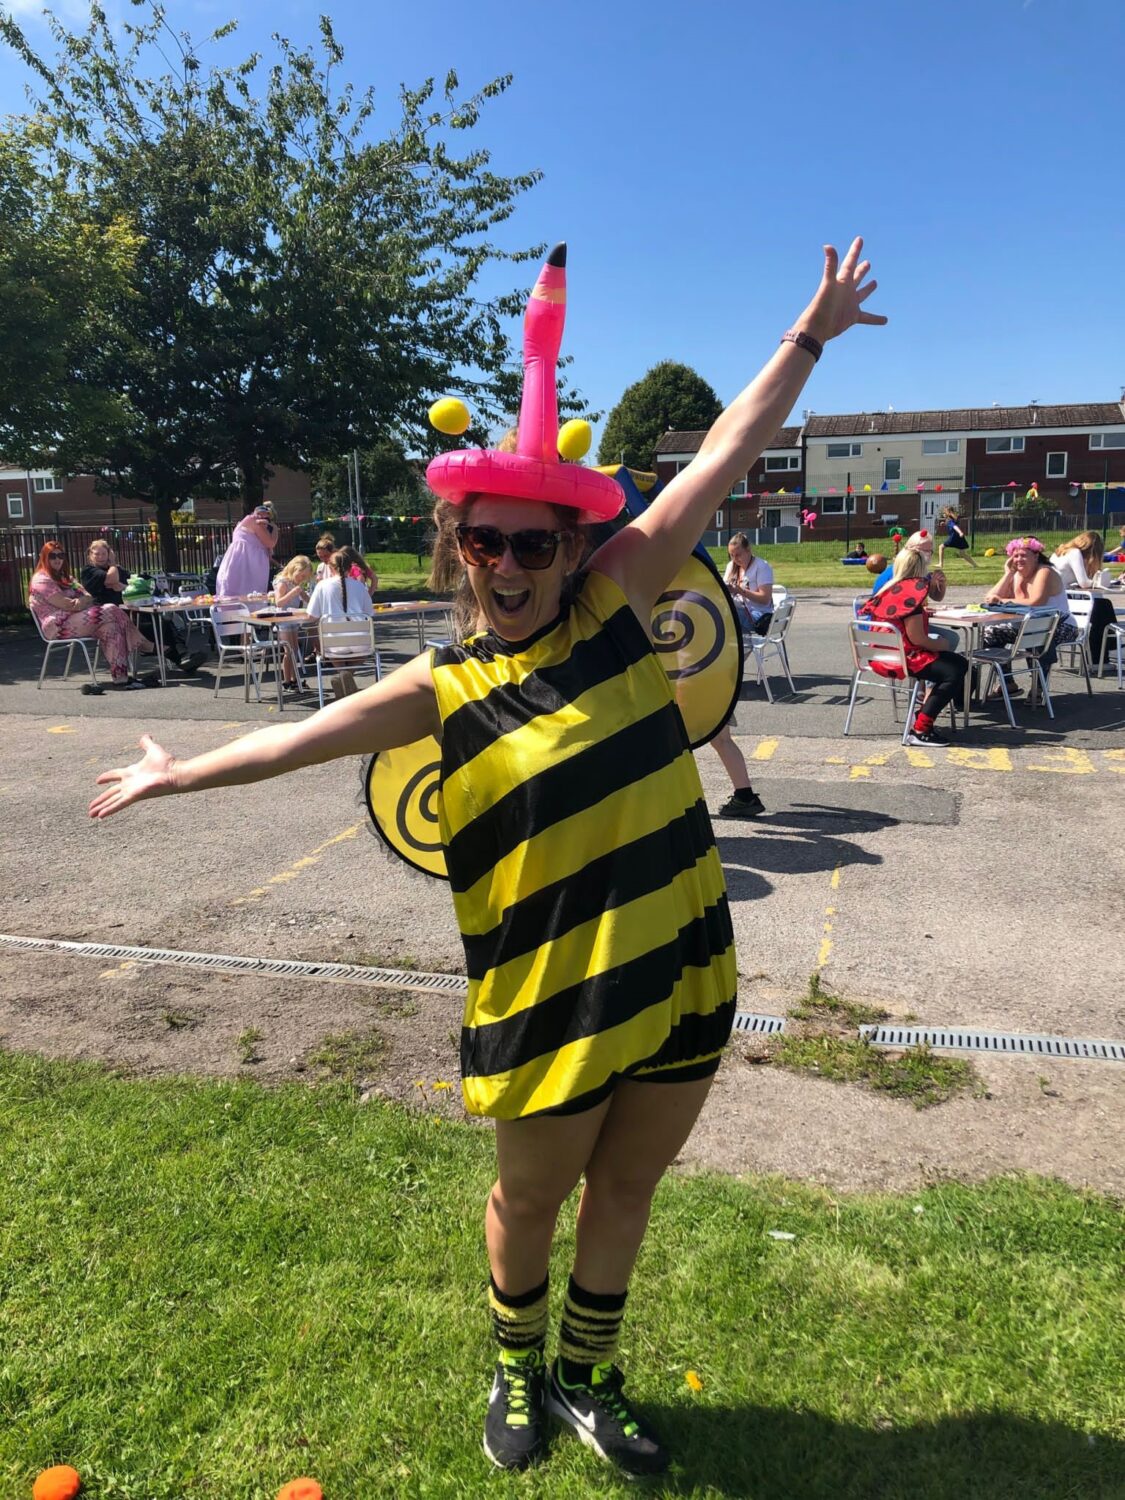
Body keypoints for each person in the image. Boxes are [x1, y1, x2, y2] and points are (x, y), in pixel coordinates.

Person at [89, 237, 885, 1480]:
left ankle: (588, 1374)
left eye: (534, 545)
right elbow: (303, 738)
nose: (511, 567)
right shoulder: (446, 683)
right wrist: (176, 770)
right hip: (544, 991)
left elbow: (723, 451)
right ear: (460, 548)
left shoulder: (624, 597)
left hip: (682, 964)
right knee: (529, 1200)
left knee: (626, 1195)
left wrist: (809, 336)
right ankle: (517, 1362)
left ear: (573, 547)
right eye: (486, 545)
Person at [859, 546, 967, 746]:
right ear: (919, 569)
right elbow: (918, 639)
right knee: (956, 668)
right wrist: (941, 643)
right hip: (902, 658)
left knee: (955, 663)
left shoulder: (887, 589)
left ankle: (923, 715)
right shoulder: (911, 597)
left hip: (879, 654)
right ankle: (921, 728)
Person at [29, 542, 144, 690]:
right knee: (110, 609)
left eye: (60, 555)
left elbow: (88, 596)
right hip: (58, 626)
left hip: (78, 620)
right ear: (44, 557)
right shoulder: (41, 580)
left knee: (111, 627)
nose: (57, 559)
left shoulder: (67, 578)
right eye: (52, 556)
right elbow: (67, 604)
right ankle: (142, 643)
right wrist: (79, 602)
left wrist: (80, 602)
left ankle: (120, 677)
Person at [81, 539, 205, 676]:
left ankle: (183, 657)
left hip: (134, 609)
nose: (100, 557)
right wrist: (113, 565)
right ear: (90, 555)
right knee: (150, 624)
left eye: (103, 554)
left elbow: (135, 586)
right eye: (96, 554)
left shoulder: (119, 570)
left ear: (109, 553)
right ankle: (176, 656)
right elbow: (112, 580)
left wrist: (122, 586)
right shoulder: (89, 571)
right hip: (113, 617)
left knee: (163, 621)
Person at [982, 536, 1078, 696]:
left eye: (1023, 555)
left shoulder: (1044, 571)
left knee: (1035, 635)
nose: (1018, 559)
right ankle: (1007, 683)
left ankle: (1039, 687)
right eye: (1015, 555)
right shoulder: (1016, 574)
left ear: (1036, 555)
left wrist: (1003, 600)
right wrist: (1008, 574)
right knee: (990, 634)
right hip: (1028, 625)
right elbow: (990, 597)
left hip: (1061, 625)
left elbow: (1036, 601)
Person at [271, 554, 313, 692]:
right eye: (301, 576)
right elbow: (279, 602)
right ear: (294, 570)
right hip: (283, 619)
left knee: (294, 650)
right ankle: (286, 680)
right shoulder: (283, 582)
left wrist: (310, 599)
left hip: (293, 619)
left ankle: (295, 679)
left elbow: (308, 600)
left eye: (304, 577)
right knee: (289, 650)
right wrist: (293, 593)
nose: (302, 579)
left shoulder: (296, 584)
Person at [306, 547, 376, 623]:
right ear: (350, 568)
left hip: (331, 634)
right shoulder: (360, 586)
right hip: (360, 633)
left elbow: (312, 616)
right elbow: (368, 613)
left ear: (330, 568)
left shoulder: (321, 586)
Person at [723, 532, 774, 635]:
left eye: (738, 555)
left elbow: (765, 599)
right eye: (731, 555)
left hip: (758, 615)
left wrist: (740, 591)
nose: (735, 559)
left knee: (725, 617)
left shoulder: (761, 566)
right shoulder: (731, 566)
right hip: (739, 610)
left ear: (748, 551)